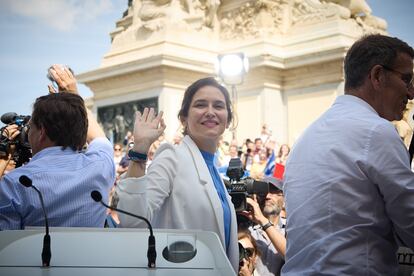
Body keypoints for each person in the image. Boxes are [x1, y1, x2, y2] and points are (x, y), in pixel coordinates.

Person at [282, 34, 414, 275]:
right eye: (406, 79)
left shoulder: (306, 136)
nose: (411, 93)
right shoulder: (377, 131)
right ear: (377, 76)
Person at [115, 77, 239, 271]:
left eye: (218, 106)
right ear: (184, 118)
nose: (210, 112)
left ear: (228, 119)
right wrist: (139, 150)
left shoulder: (214, 168)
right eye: (200, 105)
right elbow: (133, 221)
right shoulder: (172, 156)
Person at [0, 64, 115, 229]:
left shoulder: (15, 183)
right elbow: (98, 136)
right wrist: (73, 96)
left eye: (30, 127)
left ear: (42, 132)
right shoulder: (100, 166)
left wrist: (3, 158)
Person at [249, 177, 286, 276]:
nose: (267, 196)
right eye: (263, 192)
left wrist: (262, 220)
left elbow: (292, 255)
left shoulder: (290, 228)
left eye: (273, 191)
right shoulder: (246, 228)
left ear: (284, 200)